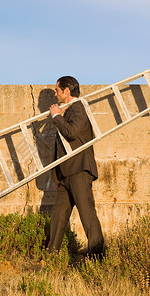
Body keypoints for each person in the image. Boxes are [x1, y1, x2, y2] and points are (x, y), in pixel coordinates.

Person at [48, 76, 104, 257]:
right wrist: (57, 177)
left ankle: (97, 255)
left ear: (67, 91)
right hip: (66, 174)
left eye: (57, 90)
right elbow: (62, 147)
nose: (55, 94)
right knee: (58, 215)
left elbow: (71, 133)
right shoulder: (68, 111)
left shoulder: (78, 108)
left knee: (87, 214)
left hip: (79, 170)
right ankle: (52, 256)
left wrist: (56, 116)